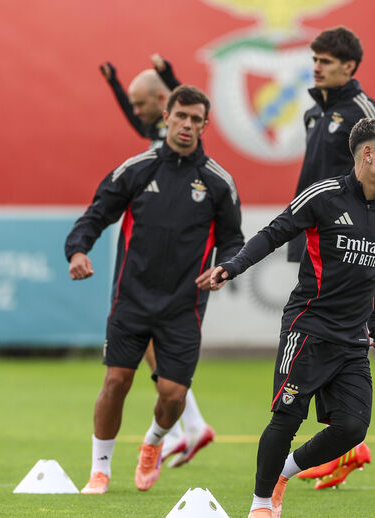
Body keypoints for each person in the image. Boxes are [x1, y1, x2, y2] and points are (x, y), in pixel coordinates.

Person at [207, 117, 375, 518]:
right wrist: (233, 266)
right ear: (367, 155)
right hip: (309, 329)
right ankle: (261, 504)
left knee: (352, 428)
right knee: (287, 417)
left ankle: (285, 472)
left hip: (352, 338)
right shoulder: (324, 195)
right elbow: (274, 232)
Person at [67, 85, 244, 494]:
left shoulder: (217, 182)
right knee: (116, 382)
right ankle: (100, 470)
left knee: (173, 395)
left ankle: (153, 444)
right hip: (131, 299)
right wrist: (77, 251)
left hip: (184, 306)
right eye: (181, 116)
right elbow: (95, 216)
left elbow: (234, 241)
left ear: (204, 125)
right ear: (167, 115)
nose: (186, 125)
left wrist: (225, 269)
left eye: (195, 119)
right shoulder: (137, 168)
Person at [102, 54, 215, 466]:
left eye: (139, 102)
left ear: (164, 101)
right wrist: (113, 84)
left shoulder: (187, 140)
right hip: (148, 249)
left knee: (150, 338)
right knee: (146, 340)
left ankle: (191, 425)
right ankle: (191, 425)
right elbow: (140, 122)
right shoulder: (153, 140)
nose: (137, 113)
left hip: (171, 256)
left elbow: (192, 100)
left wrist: (168, 73)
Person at [287, 26, 375, 264]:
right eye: (315, 59)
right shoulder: (313, 114)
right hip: (313, 233)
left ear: (348, 66)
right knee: (309, 302)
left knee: (346, 303)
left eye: (325, 61)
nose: (316, 67)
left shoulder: (366, 112)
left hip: (348, 238)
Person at [100, 54, 180, 148]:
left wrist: (167, 76)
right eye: (135, 106)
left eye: (141, 104)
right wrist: (113, 82)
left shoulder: (181, 122)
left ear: (161, 98)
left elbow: (189, 102)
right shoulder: (155, 127)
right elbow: (136, 121)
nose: (136, 112)